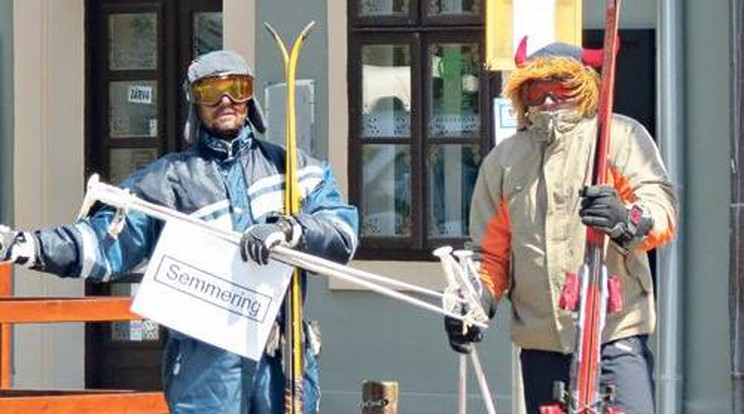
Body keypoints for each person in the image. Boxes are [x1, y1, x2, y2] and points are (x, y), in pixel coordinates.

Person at [0, 50, 358, 414]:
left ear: (250, 98)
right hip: (206, 371)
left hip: (283, 365)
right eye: (210, 91)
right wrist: (23, 246)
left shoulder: (293, 171)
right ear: (193, 102)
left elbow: (341, 233)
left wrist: (291, 229)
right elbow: (102, 245)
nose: (225, 101)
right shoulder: (165, 183)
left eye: (236, 88)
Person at [444, 41, 677, 413]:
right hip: (542, 349)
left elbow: (661, 209)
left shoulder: (618, 137)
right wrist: (474, 303)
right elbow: (489, 254)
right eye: (537, 89)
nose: (549, 100)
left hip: (612, 338)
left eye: (562, 88)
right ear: (523, 94)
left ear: (583, 87)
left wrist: (626, 218)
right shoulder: (505, 161)